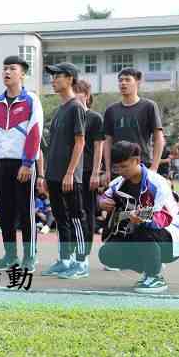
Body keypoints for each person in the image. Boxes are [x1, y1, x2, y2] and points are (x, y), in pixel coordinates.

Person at [98, 141, 179, 293]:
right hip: (140, 234)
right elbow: (104, 197)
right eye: (117, 167)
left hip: (170, 239)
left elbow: (165, 216)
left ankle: (155, 277)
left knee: (141, 228)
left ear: (136, 160)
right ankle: (151, 266)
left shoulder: (158, 183)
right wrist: (102, 202)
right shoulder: (118, 183)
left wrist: (144, 218)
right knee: (107, 254)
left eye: (124, 166)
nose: (120, 171)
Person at [0, 55, 43, 272]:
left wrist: (28, 163)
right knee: (4, 212)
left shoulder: (31, 100)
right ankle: (10, 255)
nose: (7, 72)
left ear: (22, 74)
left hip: (23, 164)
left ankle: (30, 256)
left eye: (12, 69)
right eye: (5, 68)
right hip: (1, 164)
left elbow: (35, 133)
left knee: (26, 212)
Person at [41, 62, 89, 279]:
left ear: (70, 79)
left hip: (70, 176)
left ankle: (81, 262)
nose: (53, 80)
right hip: (54, 175)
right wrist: (46, 174)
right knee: (60, 219)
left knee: (76, 218)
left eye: (58, 76)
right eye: (53, 77)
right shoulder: (60, 109)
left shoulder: (76, 107)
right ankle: (65, 260)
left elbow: (80, 142)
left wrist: (70, 172)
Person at [103, 68, 164, 179]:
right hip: (117, 167)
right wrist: (107, 169)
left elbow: (159, 138)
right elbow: (107, 141)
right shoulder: (111, 110)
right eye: (120, 80)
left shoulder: (149, 106)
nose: (123, 83)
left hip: (141, 165)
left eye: (127, 80)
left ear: (137, 82)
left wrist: (154, 168)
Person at [73, 79, 104, 267]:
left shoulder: (94, 118)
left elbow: (99, 146)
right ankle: (70, 252)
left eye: (77, 91)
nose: (74, 95)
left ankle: (84, 254)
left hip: (86, 171)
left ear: (86, 95)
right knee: (71, 213)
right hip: (69, 172)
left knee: (87, 211)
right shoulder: (68, 115)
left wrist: (95, 172)